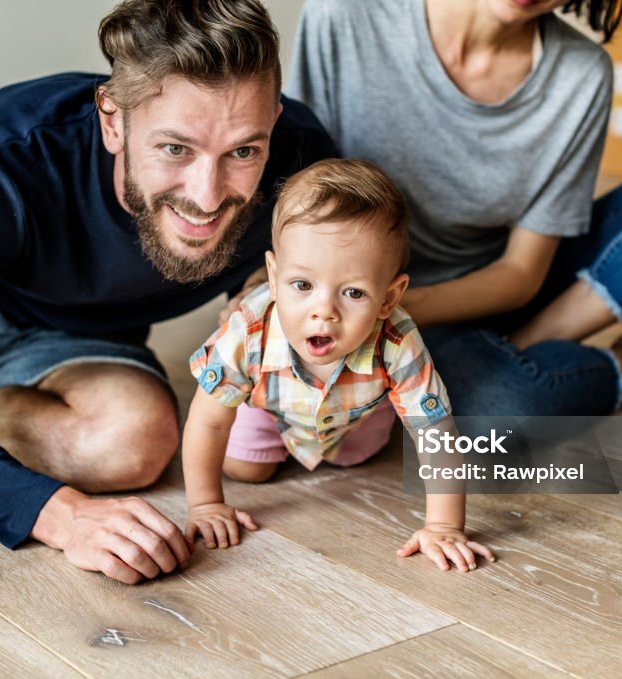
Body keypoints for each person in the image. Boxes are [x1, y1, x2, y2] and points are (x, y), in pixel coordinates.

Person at [0, 0, 335, 584]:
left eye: (243, 152)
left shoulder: (304, 167)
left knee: (135, 442)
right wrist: (64, 517)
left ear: (272, 125)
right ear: (111, 120)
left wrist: (266, 304)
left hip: (70, 340)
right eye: (175, 149)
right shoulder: (5, 153)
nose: (206, 196)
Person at [286, 0, 622, 417]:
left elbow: (520, 273)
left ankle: (543, 351)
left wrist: (388, 308)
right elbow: (302, 202)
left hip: (484, 292)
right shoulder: (344, 15)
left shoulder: (581, 73)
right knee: (503, 408)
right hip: (359, 301)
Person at [182, 159, 496, 571]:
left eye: (353, 292)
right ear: (274, 277)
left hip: (354, 416)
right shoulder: (248, 330)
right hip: (269, 404)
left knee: (356, 457)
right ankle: (276, 439)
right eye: (302, 285)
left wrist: (444, 526)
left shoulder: (398, 342)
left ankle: (375, 412)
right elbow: (207, 421)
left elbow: (436, 436)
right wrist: (206, 504)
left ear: (389, 297)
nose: (323, 312)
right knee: (245, 468)